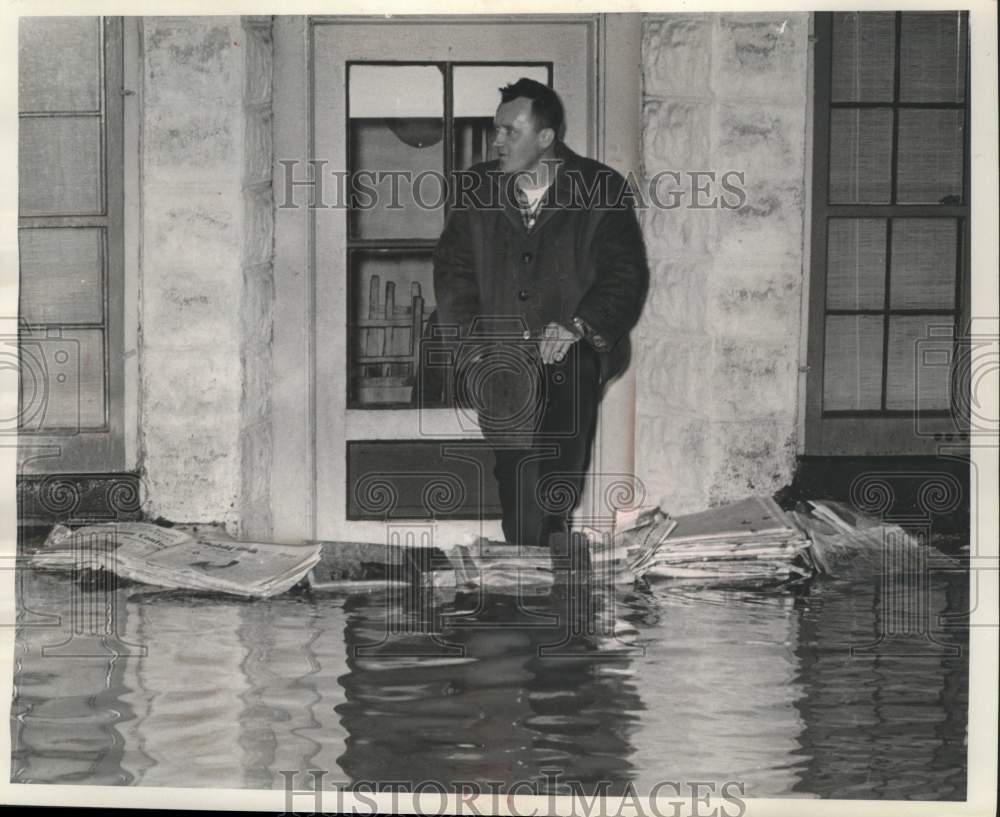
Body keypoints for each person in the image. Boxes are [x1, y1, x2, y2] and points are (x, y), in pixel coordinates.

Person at [432, 78, 649, 553]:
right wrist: (474, 351)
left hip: (574, 350)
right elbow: (454, 278)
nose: (497, 141)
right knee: (518, 487)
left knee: (557, 464)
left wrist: (577, 326)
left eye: (511, 131)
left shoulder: (600, 186)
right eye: (497, 130)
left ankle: (549, 540)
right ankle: (535, 563)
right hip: (501, 357)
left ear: (546, 138)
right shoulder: (476, 190)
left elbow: (624, 274)